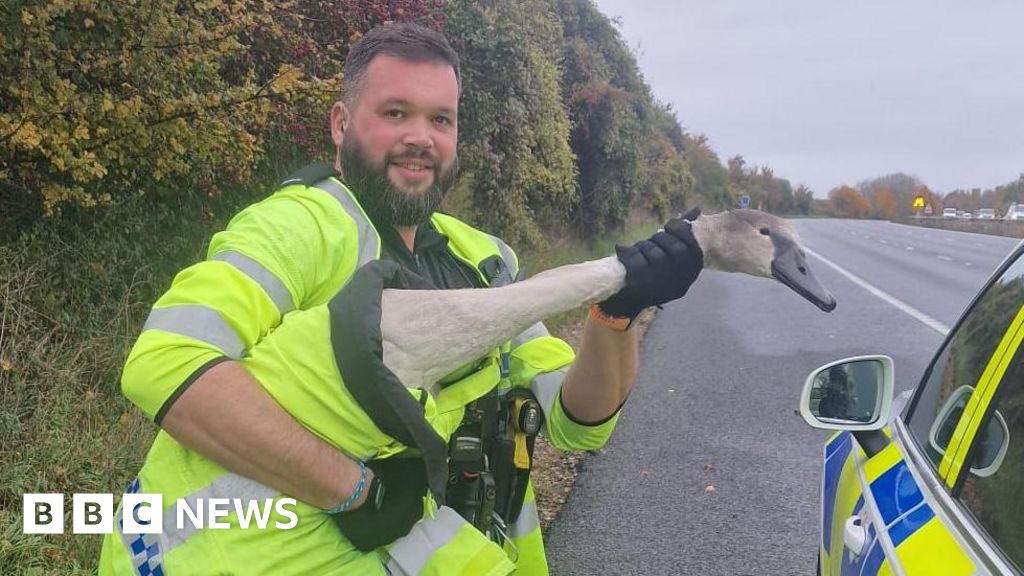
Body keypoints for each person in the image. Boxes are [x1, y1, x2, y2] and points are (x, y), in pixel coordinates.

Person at [99, 23, 703, 576]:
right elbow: (166, 362)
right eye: (395, 112)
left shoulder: (482, 261)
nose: (421, 138)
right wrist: (356, 490)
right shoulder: (300, 227)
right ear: (341, 124)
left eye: (441, 120)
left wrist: (616, 313)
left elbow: (577, 424)